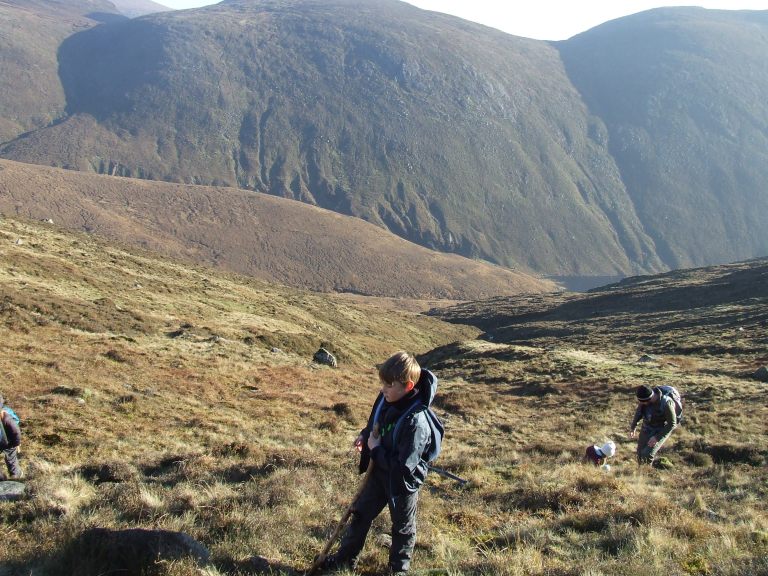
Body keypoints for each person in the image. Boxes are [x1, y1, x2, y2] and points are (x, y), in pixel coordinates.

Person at [321, 351, 442, 575]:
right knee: (360, 514)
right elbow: (377, 422)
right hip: (378, 472)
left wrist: (375, 449)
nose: (383, 389)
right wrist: (365, 436)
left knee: (403, 528)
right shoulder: (386, 397)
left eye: (389, 385)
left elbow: (403, 468)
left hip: (402, 483)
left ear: (407, 386)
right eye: (382, 383)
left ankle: (398, 570)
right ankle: (344, 560)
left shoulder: (416, 423)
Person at [629, 385, 679, 465]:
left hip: (661, 430)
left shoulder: (666, 403)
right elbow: (639, 412)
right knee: (640, 455)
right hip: (647, 427)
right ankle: (641, 473)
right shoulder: (644, 400)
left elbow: (672, 424)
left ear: (648, 399)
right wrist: (633, 426)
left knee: (646, 455)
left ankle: (647, 474)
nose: (641, 404)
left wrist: (657, 438)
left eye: (642, 402)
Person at [0, 393, 23, 480]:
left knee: (11, 459)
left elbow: (15, 431)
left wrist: (16, 443)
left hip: (9, 442)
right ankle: (3, 479)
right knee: (11, 459)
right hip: (6, 441)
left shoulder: (5, 417)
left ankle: (16, 476)